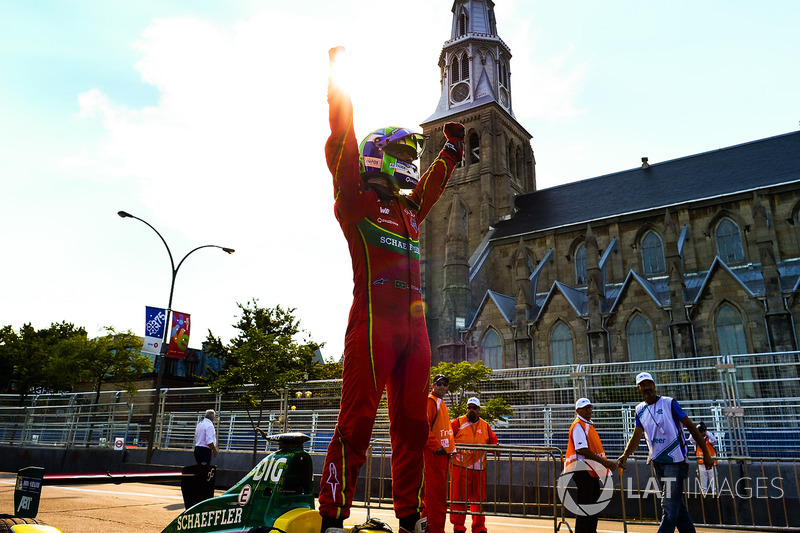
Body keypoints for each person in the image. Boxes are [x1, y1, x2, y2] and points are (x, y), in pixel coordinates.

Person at [319, 46, 464, 533]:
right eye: (401, 155)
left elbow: (432, 186)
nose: (407, 165)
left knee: (412, 427)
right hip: (372, 327)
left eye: (410, 158)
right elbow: (340, 142)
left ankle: (411, 518)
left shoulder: (408, 213)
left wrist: (450, 150)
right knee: (356, 422)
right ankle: (333, 516)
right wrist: (339, 84)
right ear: (378, 156)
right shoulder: (355, 202)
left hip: (416, 334)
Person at [617, 372, 712, 533]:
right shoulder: (639, 410)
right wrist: (625, 454)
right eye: (643, 385)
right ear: (638, 388)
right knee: (676, 505)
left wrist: (706, 454)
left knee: (668, 504)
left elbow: (690, 426)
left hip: (675, 461)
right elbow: (637, 435)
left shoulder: (669, 403)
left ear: (654, 385)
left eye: (649, 383)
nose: (647, 387)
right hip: (658, 463)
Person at [563, 398, 617, 533]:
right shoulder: (578, 425)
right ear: (578, 411)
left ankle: (591, 530)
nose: (589, 410)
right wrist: (605, 463)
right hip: (581, 469)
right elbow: (582, 449)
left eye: (590, 408)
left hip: (590, 469)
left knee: (593, 504)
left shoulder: (588, 425)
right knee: (586, 504)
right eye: (585, 408)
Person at [449, 397, 498, 533]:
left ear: (479, 410)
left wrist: (496, 449)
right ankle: (458, 527)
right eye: (469, 407)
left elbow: (493, 442)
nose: (471, 410)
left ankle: (479, 527)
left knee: (478, 499)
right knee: (458, 499)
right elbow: (447, 438)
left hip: (478, 467)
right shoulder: (457, 422)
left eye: (474, 408)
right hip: (459, 466)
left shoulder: (485, 426)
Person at [425, 374, 456, 533]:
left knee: (436, 496)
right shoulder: (431, 402)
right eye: (439, 384)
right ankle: (434, 529)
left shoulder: (440, 403)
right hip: (434, 456)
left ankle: (429, 527)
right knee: (435, 498)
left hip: (442, 456)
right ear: (433, 385)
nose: (442, 387)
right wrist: (436, 446)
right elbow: (424, 428)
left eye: (445, 384)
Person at [689, 422, 718, 496]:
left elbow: (714, 440)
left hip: (711, 464)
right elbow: (691, 439)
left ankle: (716, 500)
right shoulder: (696, 441)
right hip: (701, 464)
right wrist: (696, 430)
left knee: (714, 485)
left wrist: (706, 431)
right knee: (703, 486)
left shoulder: (709, 439)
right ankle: (703, 500)